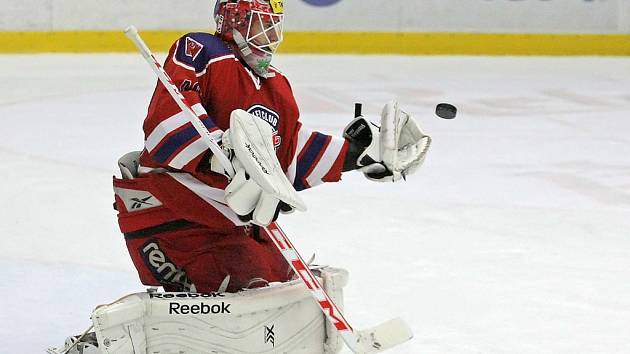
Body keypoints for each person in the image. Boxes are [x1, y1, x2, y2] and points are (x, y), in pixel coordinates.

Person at [112, 0, 431, 295]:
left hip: (230, 224)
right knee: (255, 291)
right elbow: (166, 122)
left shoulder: (276, 85)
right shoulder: (201, 50)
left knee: (288, 288)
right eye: (260, 23)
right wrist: (220, 157)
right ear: (232, 21)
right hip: (175, 214)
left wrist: (360, 155)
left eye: (274, 24)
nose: (270, 34)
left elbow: (288, 155)